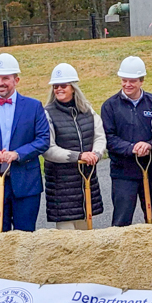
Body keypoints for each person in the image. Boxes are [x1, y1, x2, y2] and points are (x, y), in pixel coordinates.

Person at [0, 53, 50, 232]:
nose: (0, 83)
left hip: (26, 185)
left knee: (25, 240)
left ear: (16, 79)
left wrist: (17, 154)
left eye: (5, 78)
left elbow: (43, 140)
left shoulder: (33, 106)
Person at [101, 56, 152, 225]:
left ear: (141, 81)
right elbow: (109, 138)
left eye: (132, 81)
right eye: (124, 80)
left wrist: (149, 145)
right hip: (123, 173)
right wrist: (131, 148)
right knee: (121, 221)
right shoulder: (110, 106)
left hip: (150, 170)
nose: (127, 85)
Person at [43, 63, 107, 230]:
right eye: (55, 86)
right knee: (67, 241)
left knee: (86, 236)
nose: (59, 89)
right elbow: (48, 149)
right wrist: (78, 156)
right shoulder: (47, 113)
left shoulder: (87, 111)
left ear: (73, 88)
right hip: (61, 187)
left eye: (63, 85)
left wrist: (95, 154)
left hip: (85, 182)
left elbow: (99, 136)